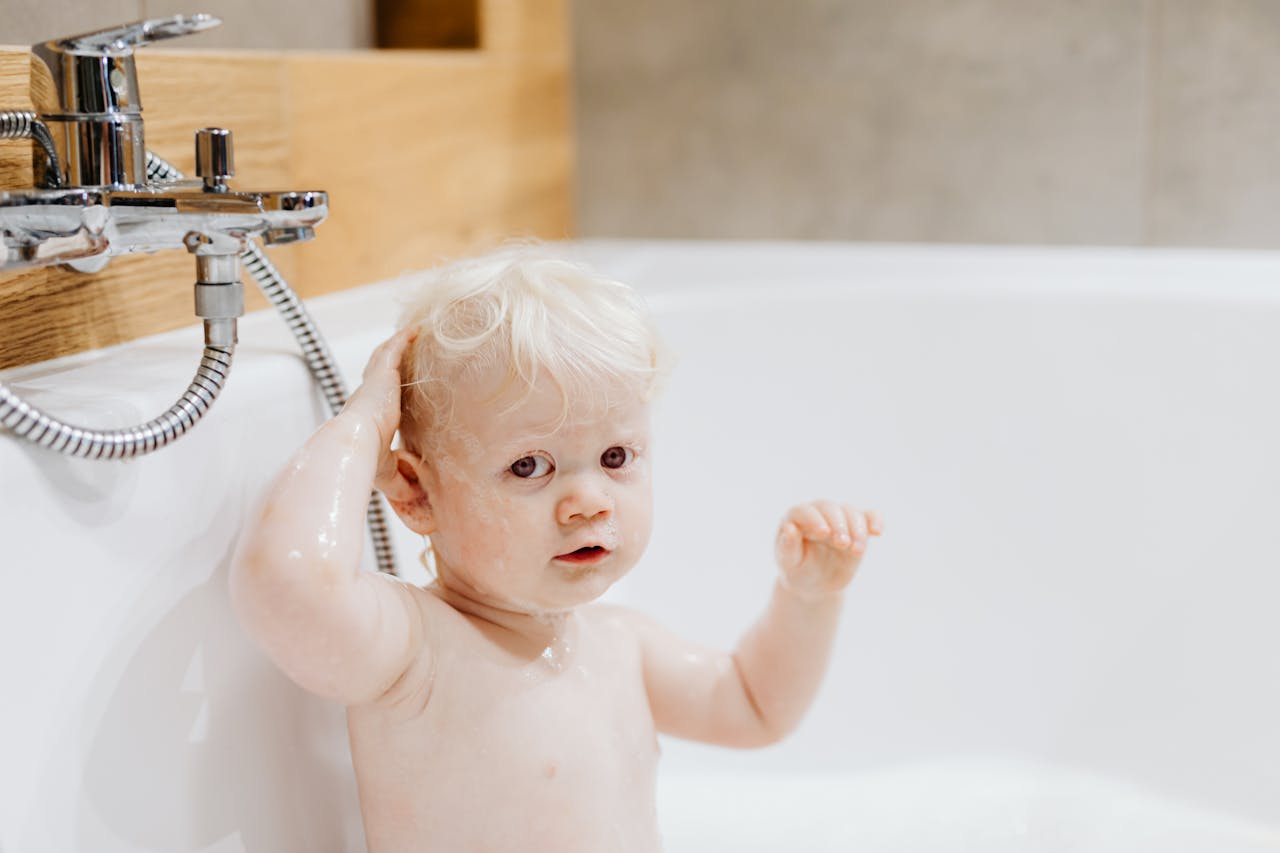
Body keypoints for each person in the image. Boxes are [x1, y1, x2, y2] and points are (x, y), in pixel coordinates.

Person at [230, 245, 882, 852]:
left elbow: (753, 705)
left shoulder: (622, 644)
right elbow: (287, 585)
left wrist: (807, 598)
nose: (589, 500)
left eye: (615, 456)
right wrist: (361, 426)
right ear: (416, 494)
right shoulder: (415, 653)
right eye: (529, 467)